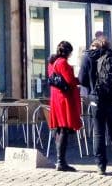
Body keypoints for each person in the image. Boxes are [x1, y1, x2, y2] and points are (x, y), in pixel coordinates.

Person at [81, 34, 112, 176]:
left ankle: (101, 166)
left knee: (99, 133)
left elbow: (82, 79)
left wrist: (91, 87)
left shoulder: (88, 57)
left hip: (97, 100)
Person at [47, 40, 82, 172]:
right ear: (68, 52)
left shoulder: (52, 62)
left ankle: (60, 160)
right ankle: (61, 162)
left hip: (56, 98)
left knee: (59, 129)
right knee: (63, 129)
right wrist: (81, 80)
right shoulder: (63, 63)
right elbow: (70, 81)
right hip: (64, 99)